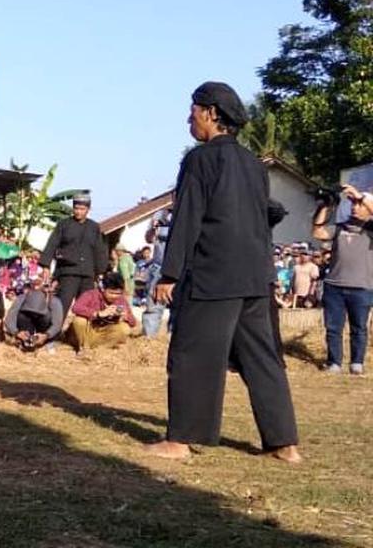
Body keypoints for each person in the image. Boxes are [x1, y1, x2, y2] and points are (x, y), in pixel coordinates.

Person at [147, 81, 301, 463]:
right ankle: (284, 444)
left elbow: (187, 218)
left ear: (212, 113)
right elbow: (267, 214)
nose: (189, 118)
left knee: (192, 353)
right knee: (263, 359)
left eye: (194, 110)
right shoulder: (254, 164)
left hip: (213, 275)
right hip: (256, 276)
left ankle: (180, 440)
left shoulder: (200, 160)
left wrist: (170, 274)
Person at [312, 183, 373, 375]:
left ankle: (357, 362)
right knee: (333, 328)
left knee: (359, 328)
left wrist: (360, 196)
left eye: (358, 204)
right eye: (352, 203)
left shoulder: (371, 230)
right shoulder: (340, 228)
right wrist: (324, 207)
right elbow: (318, 232)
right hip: (334, 287)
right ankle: (334, 363)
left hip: (362, 287)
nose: (354, 206)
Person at [39, 193, 108, 326]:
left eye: (82, 209)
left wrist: (100, 272)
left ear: (88, 210)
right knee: (61, 306)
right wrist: (46, 265)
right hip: (68, 273)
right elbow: (52, 244)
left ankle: (82, 337)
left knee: (86, 308)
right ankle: (52, 335)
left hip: (87, 274)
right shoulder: (63, 225)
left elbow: (100, 250)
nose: (78, 212)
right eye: (76, 208)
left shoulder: (94, 227)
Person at [67, 272, 136, 351]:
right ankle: (83, 348)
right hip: (87, 332)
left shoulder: (121, 300)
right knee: (79, 320)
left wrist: (126, 317)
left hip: (104, 333)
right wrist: (98, 314)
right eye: (111, 293)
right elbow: (76, 308)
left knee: (125, 328)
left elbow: (133, 323)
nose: (114, 296)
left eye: (118, 293)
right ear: (103, 289)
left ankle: (100, 349)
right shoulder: (91, 294)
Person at [4, 274, 64, 351]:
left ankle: (46, 341)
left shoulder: (55, 302)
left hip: (44, 325)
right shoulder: (21, 298)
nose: (36, 287)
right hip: (27, 323)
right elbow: (10, 318)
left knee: (48, 317)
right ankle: (26, 339)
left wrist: (46, 335)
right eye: (34, 284)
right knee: (21, 316)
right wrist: (17, 333)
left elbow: (57, 324)